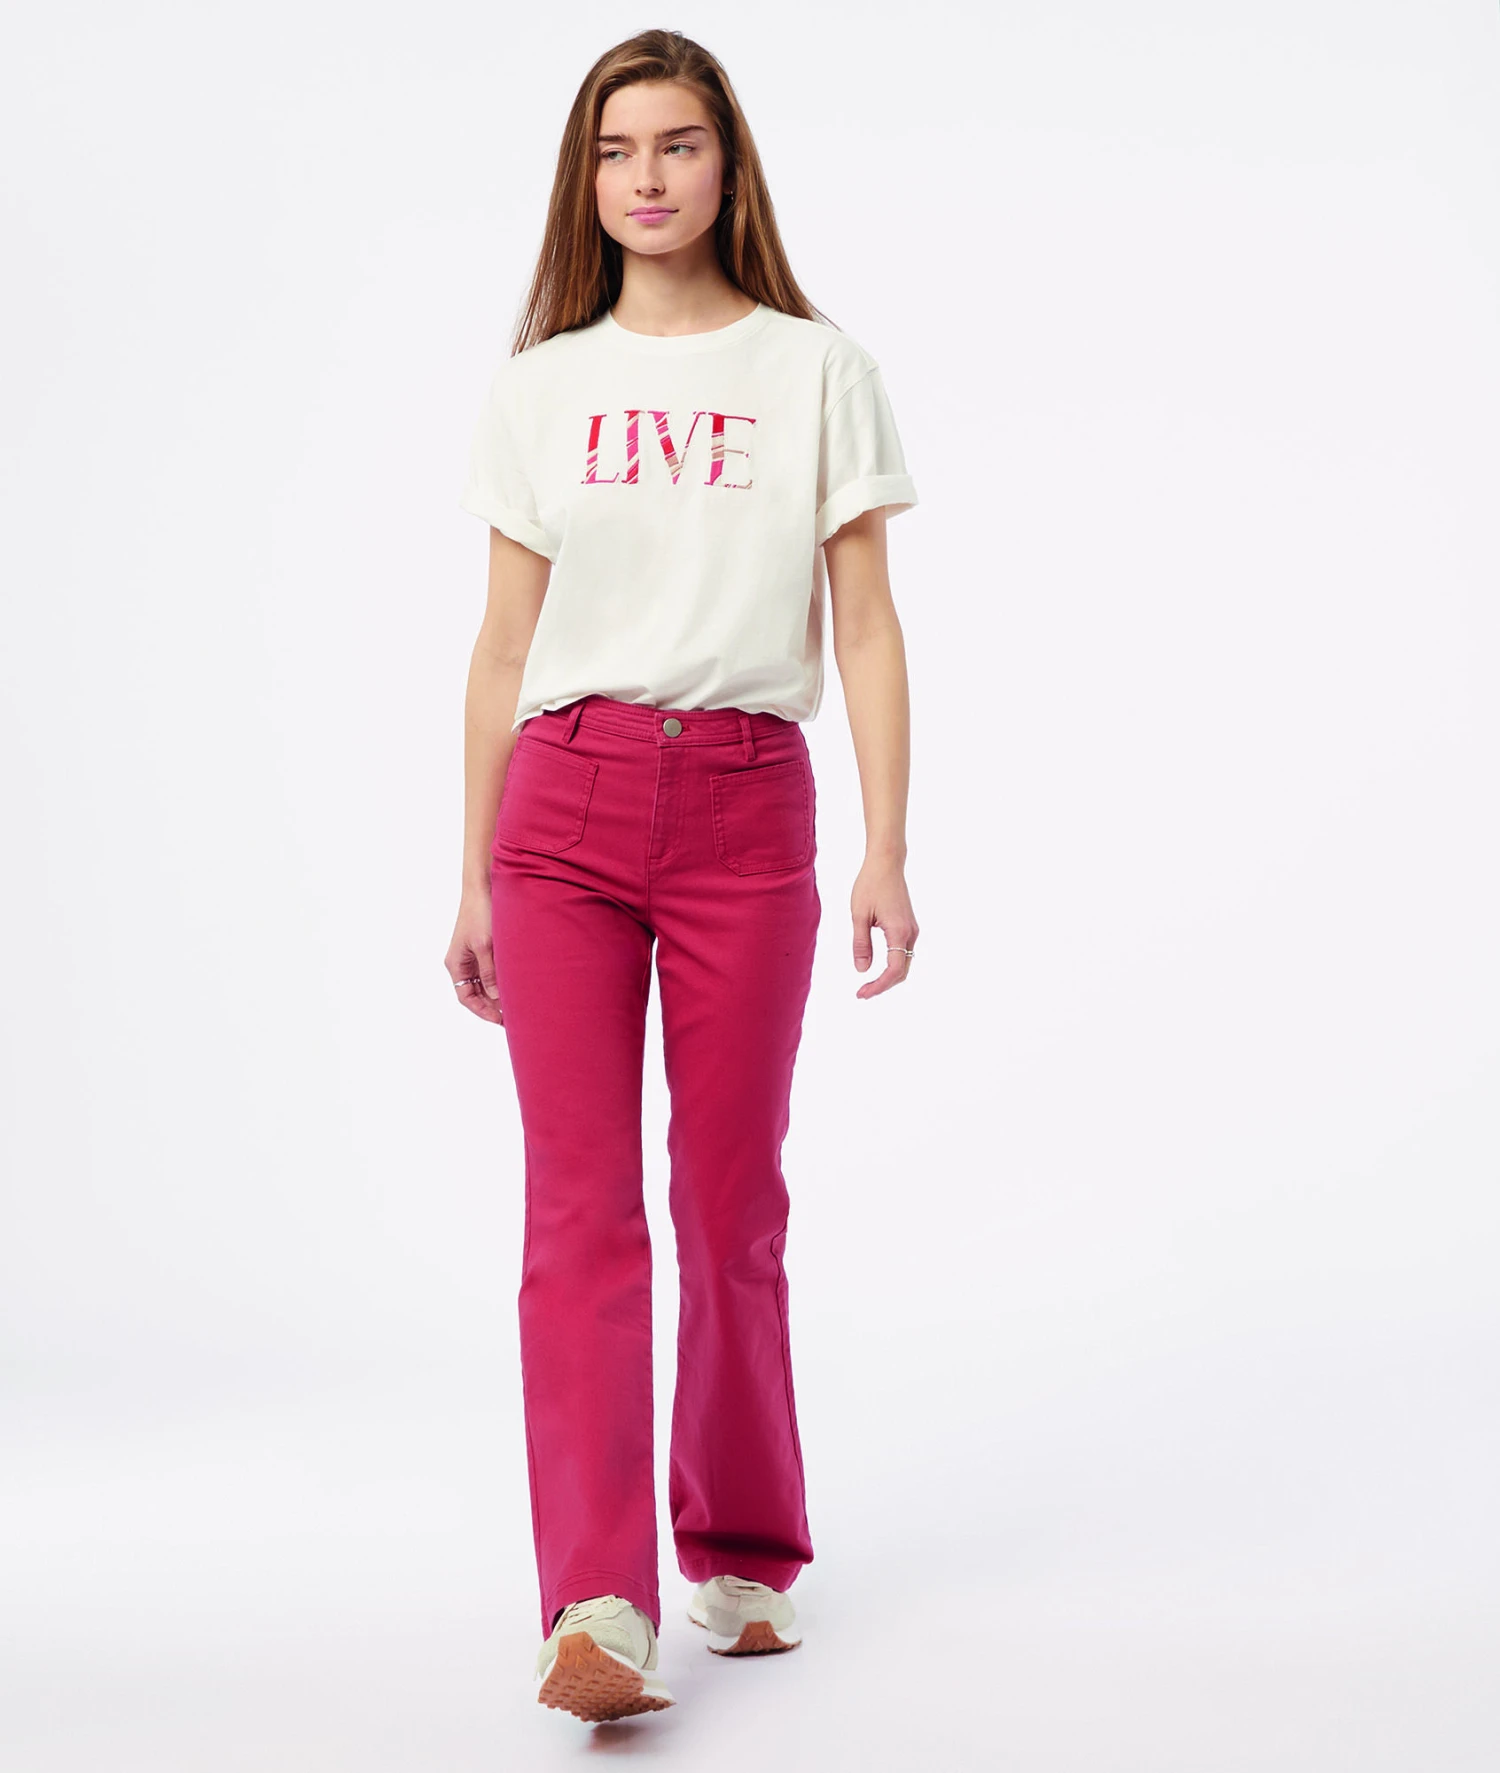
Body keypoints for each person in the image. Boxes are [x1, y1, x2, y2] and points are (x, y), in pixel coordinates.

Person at [445, 28, 920, 1725]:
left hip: (743, 805)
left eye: (677, 145)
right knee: (577, 1210)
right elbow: (504, 650)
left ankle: (742, 1544)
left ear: (729, 165)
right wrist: (473, 874)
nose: (646, 177)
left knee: (729, 1201)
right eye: (614, 150)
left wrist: (886, 844)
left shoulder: (815, 368)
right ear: (585, 181)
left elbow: (865, 621)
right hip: (562, 813)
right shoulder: (540, 386)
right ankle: (596, 1604)